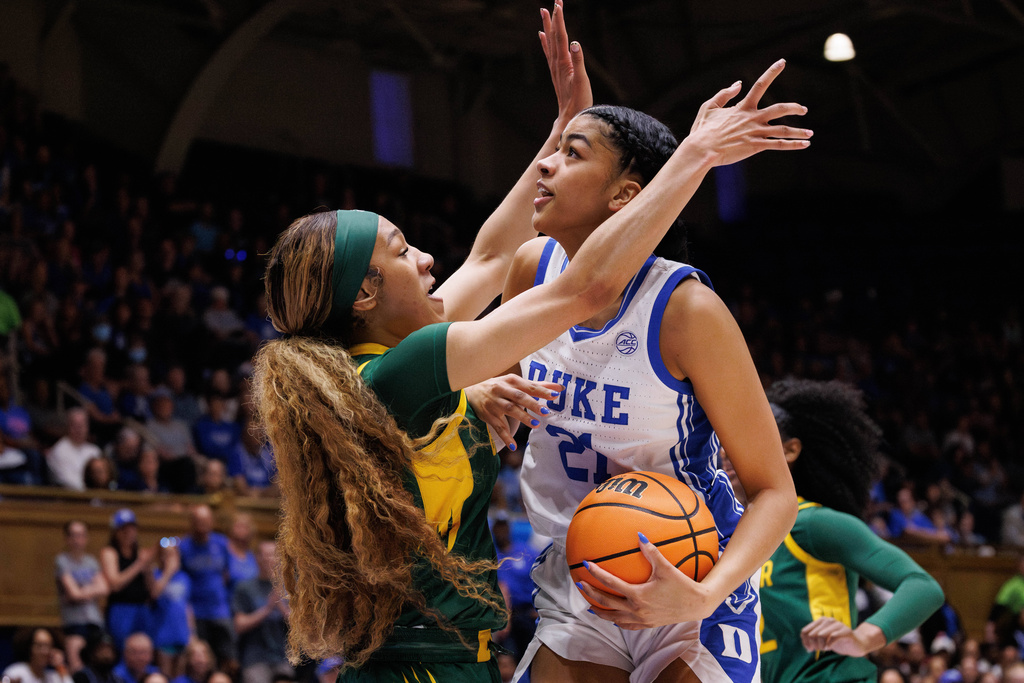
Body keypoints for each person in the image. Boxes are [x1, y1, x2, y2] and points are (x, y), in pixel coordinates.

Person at [251, 5, 810, 681]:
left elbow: (487, 257)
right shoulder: (414, 363)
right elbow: (587, 289)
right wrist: (697, 155)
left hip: (675, 570)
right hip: (457, 644)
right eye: (402, 251)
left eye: (570, 156)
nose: (429, 258)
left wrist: (560, 121)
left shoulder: (388, 353)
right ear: (364, 296)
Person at [495, 45, 803, 683]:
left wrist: (704, 594)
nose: (544, 165)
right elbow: (483, 387)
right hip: (577, 572)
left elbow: (775, 492)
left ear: (624, 196)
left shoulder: (686, 309)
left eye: (571, 153)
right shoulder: (531, 269)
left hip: (687, 575)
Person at [757, 379, 945, 683]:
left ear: (790, 450)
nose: (729, 447)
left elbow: (922, 586)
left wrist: (863, 638)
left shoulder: (814, 523)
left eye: (749, 435)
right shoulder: (733, 533)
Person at [177, 504, 235, 670]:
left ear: (211, 522)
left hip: (220, 610)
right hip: (196, 612)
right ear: (191, 523)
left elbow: (227, 573)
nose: (201, 525)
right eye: (197, 521)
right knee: (200, 659)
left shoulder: (222, 543)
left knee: (227, 658)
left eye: (205, 520)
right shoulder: (184, 547)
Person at [231, 541, 293, 683]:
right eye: (266, 556)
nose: (270, 560)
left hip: (284, 656)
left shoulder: (289, 586)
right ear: (257, 558)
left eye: (274, 555)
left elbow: (299, 627)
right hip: (255, 658)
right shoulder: (245, 587)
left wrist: (281, 606)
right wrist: (267, 609)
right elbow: (239, 625)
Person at [55, 520, 109, 672]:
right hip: (74, 623)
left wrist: (81, 591)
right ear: (67, 538)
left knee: (100, 664)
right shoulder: (62, 561)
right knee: (77, 669)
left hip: (95, 621)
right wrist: (90, 589)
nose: (77, 539)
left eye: (81, 535)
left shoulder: (91, 562)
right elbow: (74, 593)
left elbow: (104, 588)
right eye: (73, 535)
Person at [99, 508, 155, 653]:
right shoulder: (110, 552)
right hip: (121, 609)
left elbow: (152, 590)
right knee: (122, 650)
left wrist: (148, 570)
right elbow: (115, 584)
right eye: (123, 529)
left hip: (142, 609)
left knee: (144, 651)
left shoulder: (140, 553)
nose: (128, 533)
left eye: (131, 529)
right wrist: (139, 564)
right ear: (116, 532)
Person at [145, 539, 192, 677]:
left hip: (182, 636)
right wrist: (168, 572)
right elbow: (154, 594)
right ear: (161, 557)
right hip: (163, 637)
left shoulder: (184, 578)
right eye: (167, 555)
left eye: (174, 555)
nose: (171, 559)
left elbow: (187, 607)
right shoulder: (155, 575)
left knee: (180, 678)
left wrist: (192, 633)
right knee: (164, 676)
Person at [47, 407, 101, 490]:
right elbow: (67, 481)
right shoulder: (59, 450)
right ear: (68, 426)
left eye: (82, 425)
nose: (79, 429)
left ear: (87, 427)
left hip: (94, 497)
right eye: (75, 425)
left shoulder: (95, 451)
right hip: (68, 499)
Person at [2, 628, 72, 683]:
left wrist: (60, 667)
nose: (44, 651)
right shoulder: (17, 671)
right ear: (30, 648)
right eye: (39, 646)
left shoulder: (53, 677)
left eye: (48, 646)